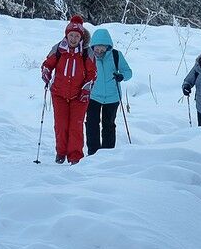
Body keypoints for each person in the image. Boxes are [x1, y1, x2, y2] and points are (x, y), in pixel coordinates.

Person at [41, 14, 96, 163]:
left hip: (80, 96)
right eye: (71, 35)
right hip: (59, 93)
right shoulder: (59, 49)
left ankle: (75, 156)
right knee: (61, 125)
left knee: (76, 126)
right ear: (67, 35)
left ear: (81, 37)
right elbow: (48, 64)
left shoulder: (86, 52)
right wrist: (46, 72)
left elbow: (92, 73)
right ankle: (61, 153)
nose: (73, 39)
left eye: (76, 36)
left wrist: (86, 88)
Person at [85, 27, 133, 155]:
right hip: (93, 96)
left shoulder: (116, 55)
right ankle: (93, 152)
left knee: (109, 125)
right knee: (92, 124)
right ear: (93, 45)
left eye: (103, 48)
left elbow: (128, 72)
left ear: (108, 47)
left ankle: (108, 153)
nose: (100, 50)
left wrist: (121, 76)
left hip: (113, 97)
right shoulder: (88, 56)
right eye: (97, 47)